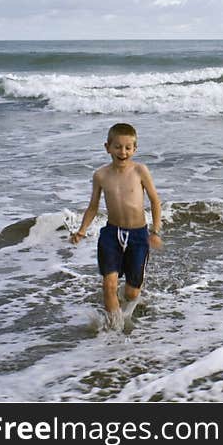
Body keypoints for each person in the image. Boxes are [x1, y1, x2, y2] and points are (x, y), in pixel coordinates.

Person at [70, 123, 163, 328]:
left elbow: (155, 201)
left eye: (128, 147)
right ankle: (115, 331)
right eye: (118, 147)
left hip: (138, 235)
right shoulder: (101, 175)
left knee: (132, 293)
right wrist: (82, 230)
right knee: (108, 284)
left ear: (135, 149)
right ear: (107, 147)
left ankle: (124, 298)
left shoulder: (140, 171)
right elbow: (93, 207)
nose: (123, 152)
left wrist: (155, 231)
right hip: (111, 234)